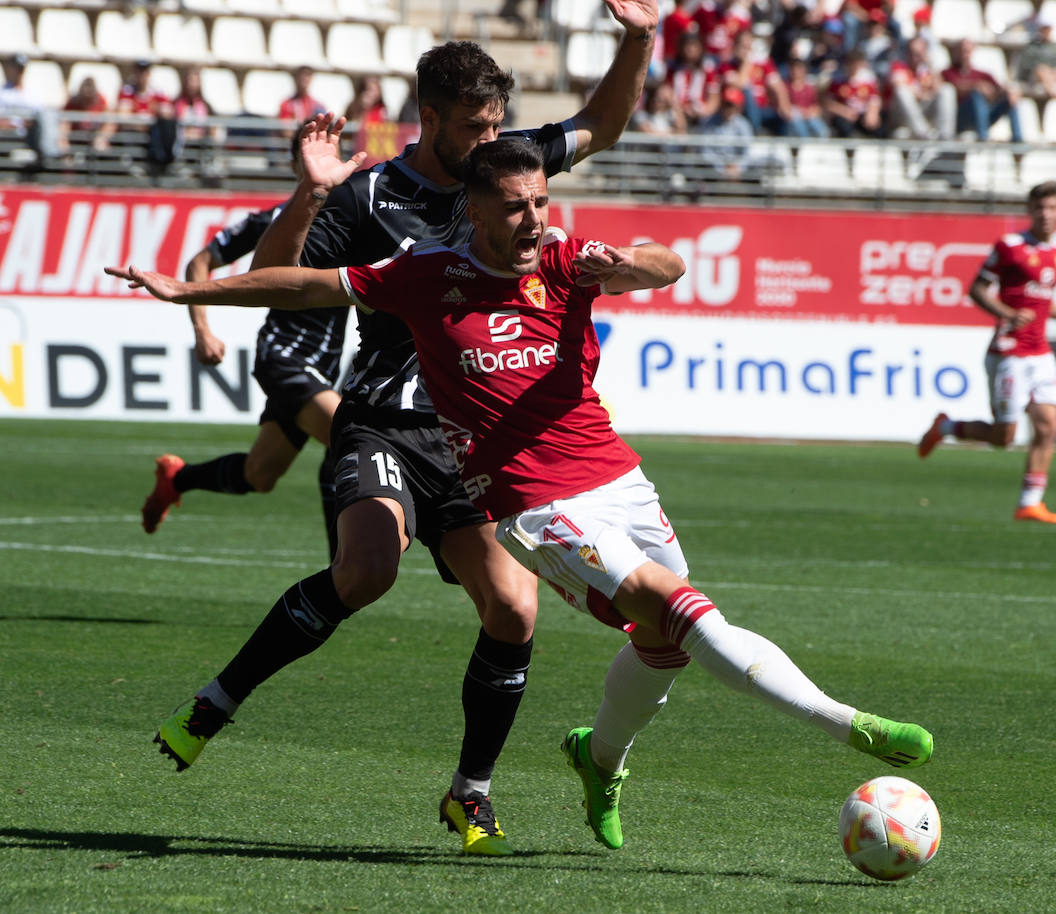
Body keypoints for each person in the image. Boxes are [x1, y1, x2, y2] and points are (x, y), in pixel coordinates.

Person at [109, 137, 936, 853]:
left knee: (664, 646)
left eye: (542, 200)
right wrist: (191, 292)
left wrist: (632, 265)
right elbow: (306, 286)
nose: (534, 219)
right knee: (678, 608)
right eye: (514, 206)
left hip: (619, 478)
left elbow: (668, 262)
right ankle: (850, 725)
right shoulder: (424, 274)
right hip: (536, 509)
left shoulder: (569, 259)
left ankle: (598, 761)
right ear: (473, 210)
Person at [136, 6, 659, 858]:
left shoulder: (507, 170)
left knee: (514, 609)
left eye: (496, 122)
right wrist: (305, 197)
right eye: (472, 126)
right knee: (367, 571)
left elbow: (602, 125)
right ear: (431, 118)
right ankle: (216, 702)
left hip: (471, 443)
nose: (489, 138)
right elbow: (293, 281)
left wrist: (637, 39)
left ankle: (470, 794)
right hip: (381, 420)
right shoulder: (372, 193)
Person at [142, 126, 344, 554]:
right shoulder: (274, 220)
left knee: (260, 475)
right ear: (295, 166)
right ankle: (346, 572)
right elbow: (201, 261)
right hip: (285, 358)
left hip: (321, 371)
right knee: (351, 439)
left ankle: (177, 478)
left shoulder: (355, 216)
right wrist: (203, 329)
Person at [918, 181, 1056, 525]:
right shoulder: (1010, 246)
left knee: (1049, 426)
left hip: (1039, 353)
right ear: (1029, 210)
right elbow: (976, 289)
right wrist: (1006, 313)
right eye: (1039, 208)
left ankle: (1030, 503)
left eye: (1052, 208)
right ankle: (946, 426)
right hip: (1009, 353)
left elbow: (1044, 305)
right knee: (1004, 437)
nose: (1046, 214)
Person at [942, 38, 1022, 143]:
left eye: (967, 51)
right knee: (976, 95)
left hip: (984, 116)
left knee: (1010, 99)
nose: (965, 54)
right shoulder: (948, 73)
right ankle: (983, 137)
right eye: (962, 51)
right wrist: (975, 87)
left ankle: (1017, 140)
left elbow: (999, 89)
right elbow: (953, 88)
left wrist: (1010, 92)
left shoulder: (983, 75)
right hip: (960, 118)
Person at [1, 53, 62, 171]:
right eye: (15, 68)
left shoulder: (32, 95)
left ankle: (50, 155)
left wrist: (29, 124)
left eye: (21, 68)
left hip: (30, 137)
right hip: (7, 137)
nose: (18, 72)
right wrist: (13, 124)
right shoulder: (2, 93)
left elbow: (40, 118)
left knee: (48, 116)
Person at [1011, 17, 1056, 100]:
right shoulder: (1031, 47)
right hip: (1035, 76)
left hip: (1055, 75)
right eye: (1044, 29)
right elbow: (1026, 66)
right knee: (1042, 70)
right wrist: (1046, 70)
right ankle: (1055, 97)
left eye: (1048, 29)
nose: (1046, 32)